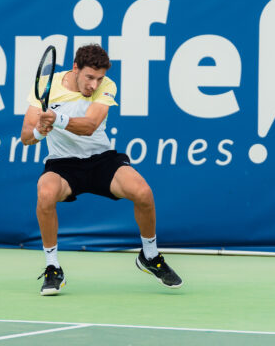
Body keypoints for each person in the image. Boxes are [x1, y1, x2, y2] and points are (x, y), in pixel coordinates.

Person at [21, 44, 183, 296]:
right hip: (63, 164)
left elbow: (90, 126)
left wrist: (57, 119)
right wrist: (39, 132)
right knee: (45, 193)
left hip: (101, 160)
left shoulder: (107, 86)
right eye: (89, 77)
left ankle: (150, 256)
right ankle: (53, 266)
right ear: (75, 68)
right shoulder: (46, 85)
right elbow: (25, 137)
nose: (94, 84)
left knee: (143, 192)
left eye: (99, 78)